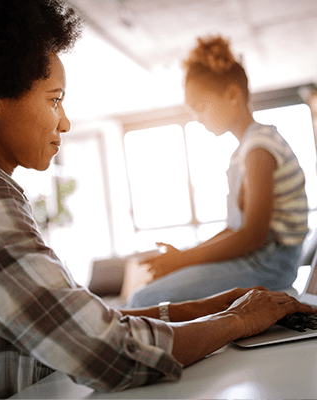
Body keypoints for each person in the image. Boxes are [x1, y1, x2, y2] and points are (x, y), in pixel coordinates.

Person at [0, 3, 313, 398]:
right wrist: (236, 321)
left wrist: (202, 308)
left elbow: (69, 319)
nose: (66, 122)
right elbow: (101, 348)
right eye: (55, 100)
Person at [127, 35, 309, 308]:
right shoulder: (245, 150)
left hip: (270, 265)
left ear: (232, 95)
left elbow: (253, 236)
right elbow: (234, 230)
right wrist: (185, 255)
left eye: (201, 107)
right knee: (146, 296)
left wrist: (184, 260)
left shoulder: (259, 148)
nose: (198, 118)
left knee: (143, 300)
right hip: (256, 258)